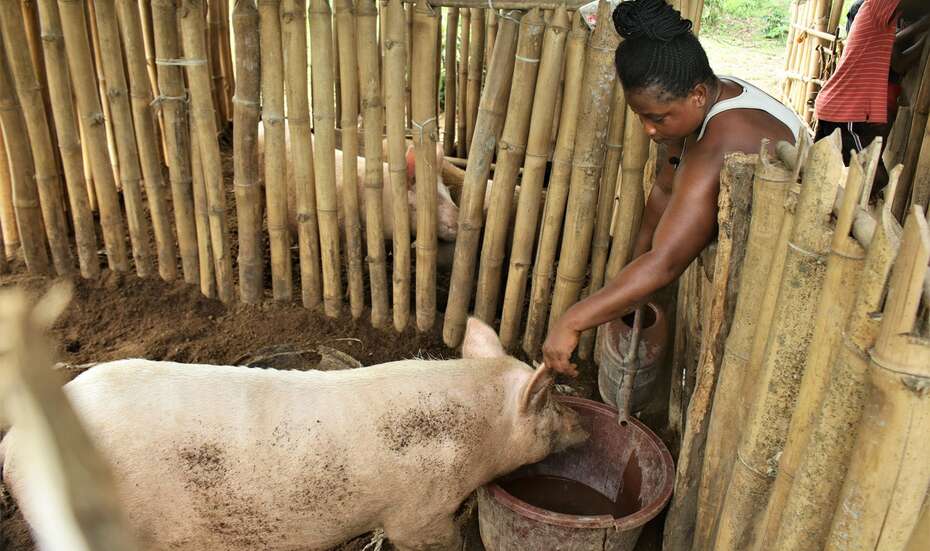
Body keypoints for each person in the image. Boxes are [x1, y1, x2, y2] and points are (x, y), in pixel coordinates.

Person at [542, 0, 807, 376]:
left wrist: (572, 320)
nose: (648, 129)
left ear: (697, 95)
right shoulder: (700, 101)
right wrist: (632, 275)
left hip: (788, 276)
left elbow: (666, 261)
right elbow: (665, 191)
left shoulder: (725, 140)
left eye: (656, 118)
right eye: (640, 116)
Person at [814, 0, 929, 165]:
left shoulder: (884, 24)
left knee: (819, 168)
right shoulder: (876, 5)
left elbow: (899, 61)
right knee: (871, 174)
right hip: (846, 110)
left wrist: (924, 32)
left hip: (842, 107)